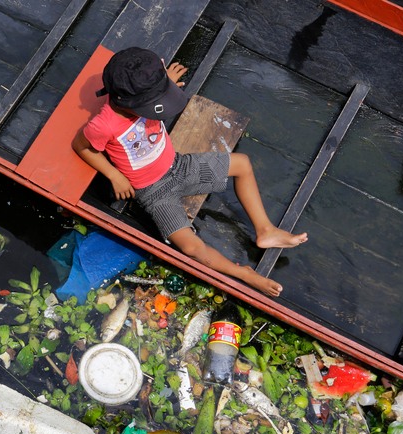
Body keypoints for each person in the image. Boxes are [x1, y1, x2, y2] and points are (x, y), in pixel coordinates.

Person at [72, 47, 307, 298]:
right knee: (191, 247)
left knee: (242, 163)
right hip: (154, 193)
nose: (157, 105)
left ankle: (265, 230)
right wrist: (113, 174)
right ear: (128, 102)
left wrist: (166, 83)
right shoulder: (104, 124)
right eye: (153, 102)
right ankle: (244, 274)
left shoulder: (146, 93)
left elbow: (155, 88)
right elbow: (81, 146)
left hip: (179, 166)